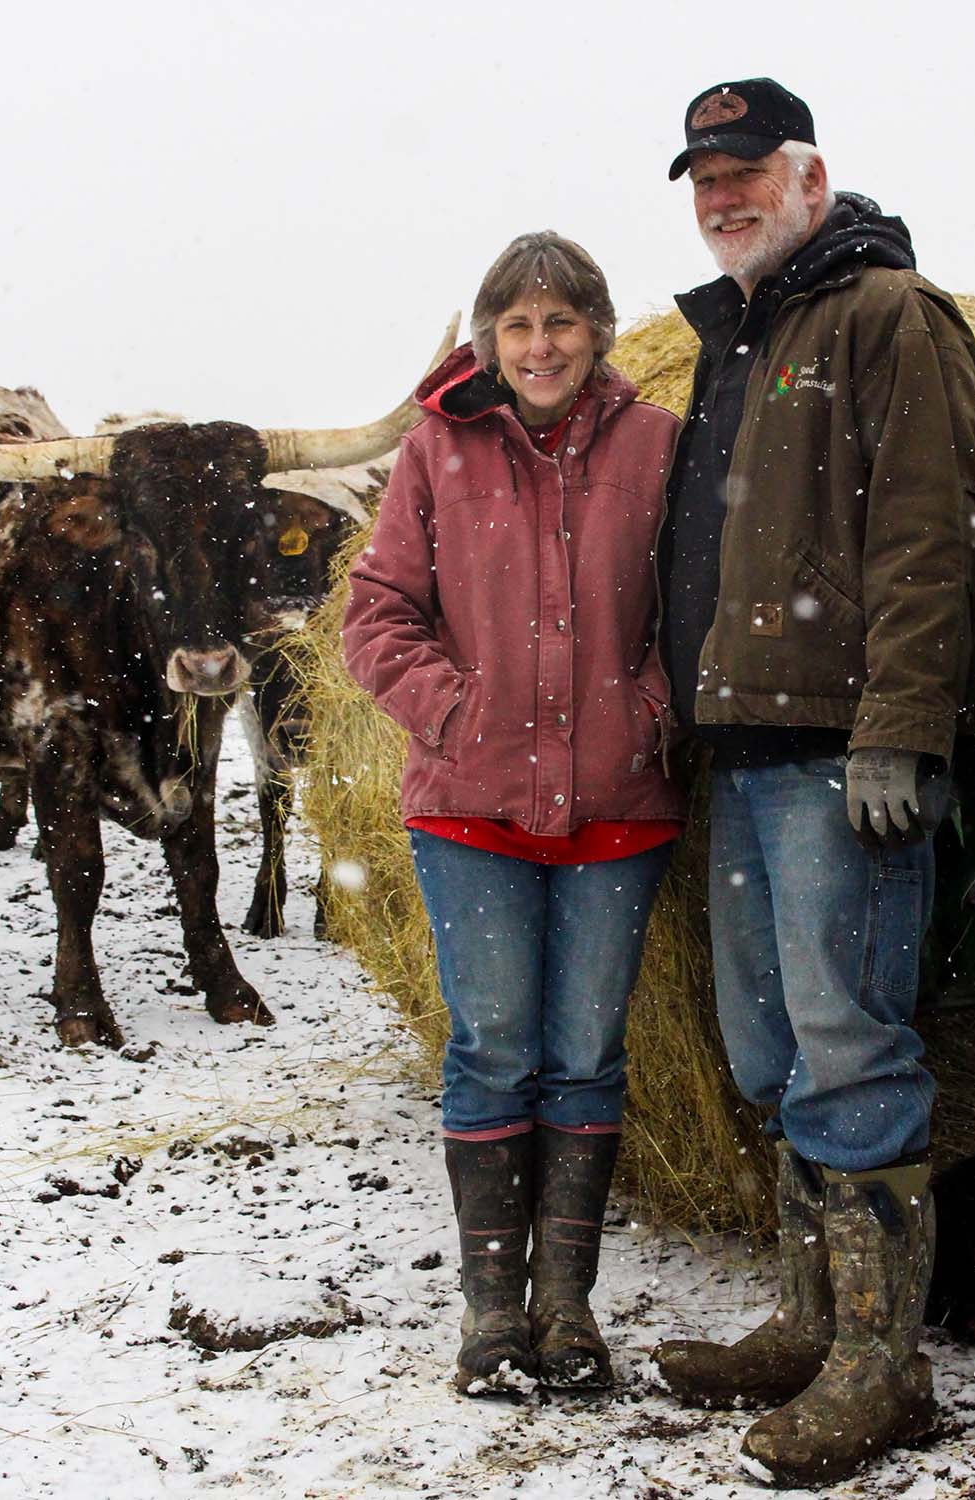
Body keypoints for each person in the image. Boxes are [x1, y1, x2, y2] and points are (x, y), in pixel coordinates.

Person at [649, 79, 975, 1484]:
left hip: (833, 756)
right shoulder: (747, 330)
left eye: (745, 171)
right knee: (767, 1053)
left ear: (808, 175)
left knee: (849, 1050)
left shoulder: (880, 314)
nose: (722, 196)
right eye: (702, 178)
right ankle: (810, 1319)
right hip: (744, 761)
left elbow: (933, 534)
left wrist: (896, 729)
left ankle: (880, 1369)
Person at [342, 232, 685, 1396]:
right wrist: (455, 713)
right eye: (519, 327)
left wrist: (646, 715)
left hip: (618, 812)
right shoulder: (437, 449)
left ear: (598, 333)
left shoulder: (658, 447)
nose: (540, 347)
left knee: (585, 1057)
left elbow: (702, 613)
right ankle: (492, 1316)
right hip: (471, 811)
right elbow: (376, 612)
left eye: (563, 323)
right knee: (493, 1051)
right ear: (491, 340)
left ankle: (569, 1309)